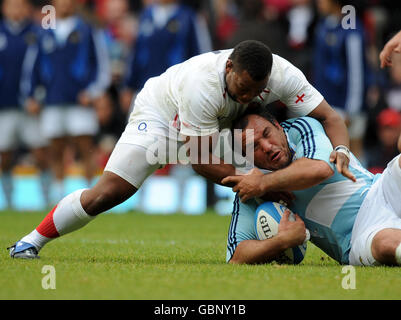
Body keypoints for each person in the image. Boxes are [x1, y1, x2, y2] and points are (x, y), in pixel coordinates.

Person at [9, 40, 352, 259]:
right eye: (243, 88)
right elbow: (200, 161)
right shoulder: (201, 85)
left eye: (256, 92)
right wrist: (262, 186)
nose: (249, 97)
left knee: (273, 158)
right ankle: (31, 241)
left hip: (218, 127)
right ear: (229, 68)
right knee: (109, 193)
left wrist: (341, 150)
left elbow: (329, 117)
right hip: (162, 117)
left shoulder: (283, 75)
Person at [222, 109, 401, 266]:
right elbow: (236, 256)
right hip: (358, 234)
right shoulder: (250, 188)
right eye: (254, 147)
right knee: (385, 245)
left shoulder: (300, 129)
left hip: (381, 189)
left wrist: (264, 183)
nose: (267, 147)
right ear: (246, 158)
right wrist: (280, 241)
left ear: (278, 126)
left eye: (267, 134)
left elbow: (319, 169)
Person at [25, 0, 111, 202]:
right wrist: (32, 95)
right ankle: (58, 193)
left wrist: (92, 92)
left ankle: (91, 194)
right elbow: (33, 67)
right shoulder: (44, 32)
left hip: (80, 101)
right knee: (55, 148)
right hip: (52, 101)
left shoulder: (88, 30)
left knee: (85, 146)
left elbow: (101, 65)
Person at [0, 0, 51, 209]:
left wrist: (39, 96)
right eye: (12, 5)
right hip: (4, 105)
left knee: (41, 152)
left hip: (31, 106)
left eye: (20, 5)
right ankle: (8, 199)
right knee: (4, 154)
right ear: (4, 8)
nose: (16, 9)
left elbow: (46, 69)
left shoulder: (38, 34)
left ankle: (48, 197)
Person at [119, 0, 211, 114]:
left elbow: (202, 58)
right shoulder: (145, 16)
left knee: (172, 131)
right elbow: (136, 54)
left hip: (176, 94)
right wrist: (128, 86)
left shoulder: (189, 18)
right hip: (144, 91)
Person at [312, 0, 370, 160]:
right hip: (327, 102)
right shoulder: (324, 25)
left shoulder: (350, 29)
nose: (318, 3)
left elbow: (356, 71)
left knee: (354, 154)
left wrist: (351, 108)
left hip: (347, 105)